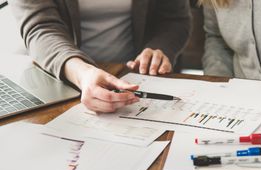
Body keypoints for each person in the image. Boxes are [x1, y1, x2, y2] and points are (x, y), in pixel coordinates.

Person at [8, 0, 192, 113]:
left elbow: (174, 19)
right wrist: (83, 73)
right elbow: (40, 28)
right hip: (60, 74)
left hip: (135, 77)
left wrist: (158, 48)